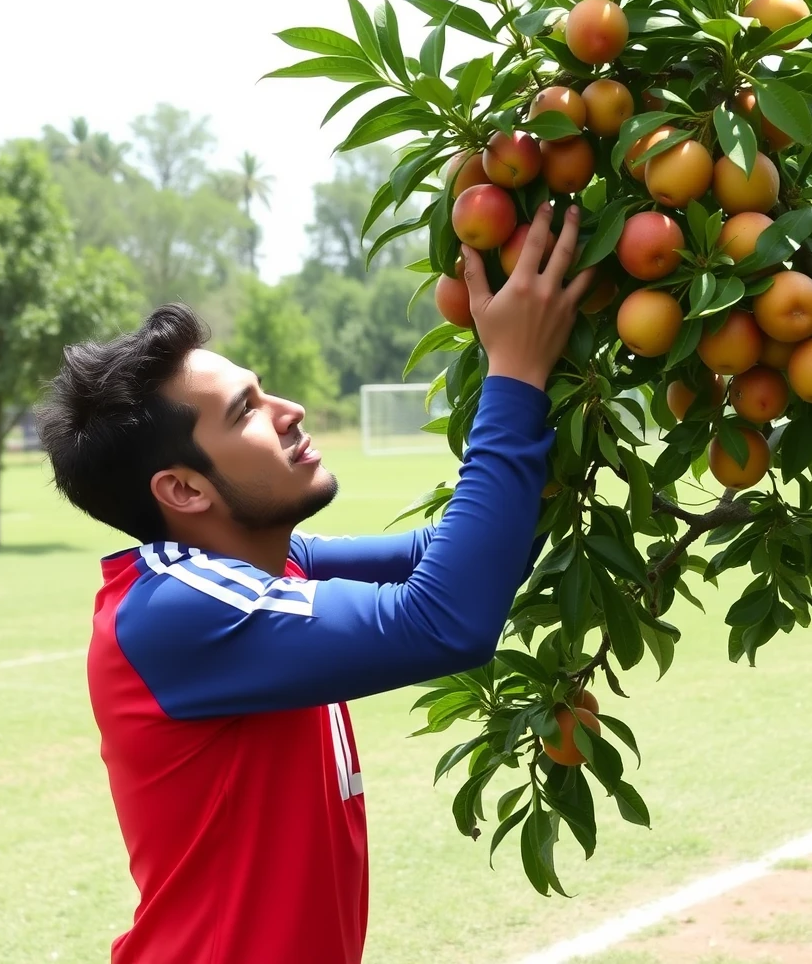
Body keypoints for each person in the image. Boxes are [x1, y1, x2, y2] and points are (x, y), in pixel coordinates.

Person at [35, 201, 593, 964]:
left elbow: (462, 555)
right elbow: (444, 620)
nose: (290, 411)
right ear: (185, 491)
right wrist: (515, 374)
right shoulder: (172, 612)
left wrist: (574, 382)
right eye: (247, 413)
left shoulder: (268, 568)